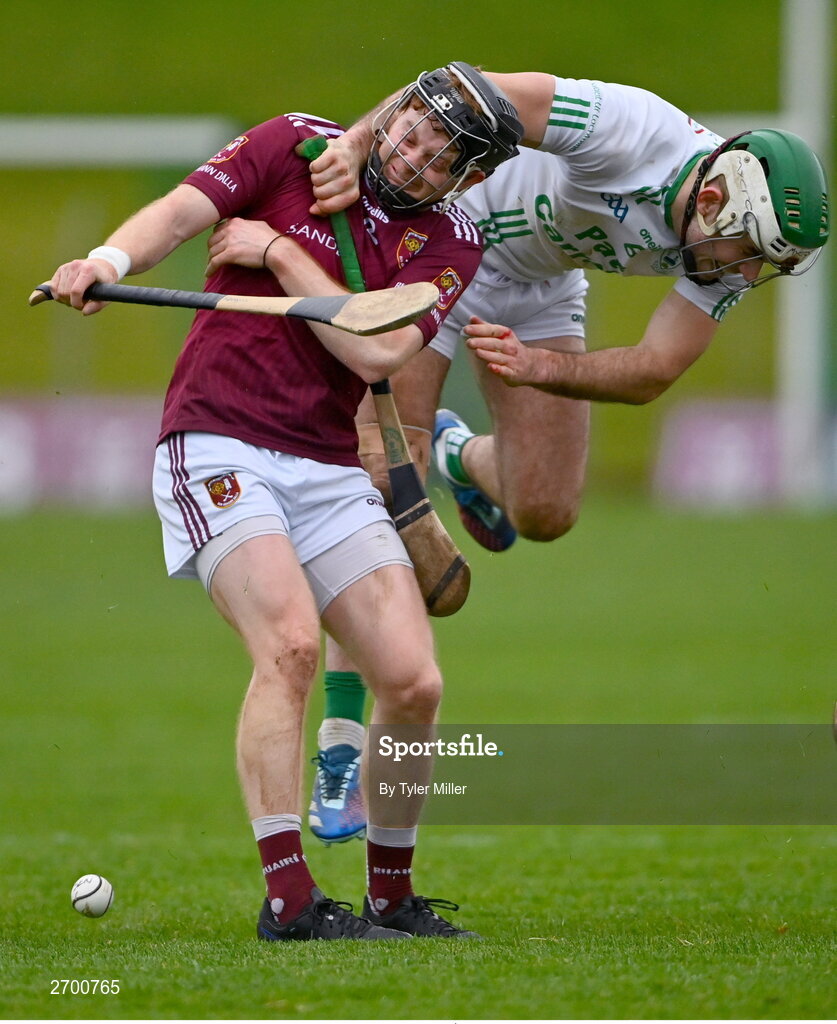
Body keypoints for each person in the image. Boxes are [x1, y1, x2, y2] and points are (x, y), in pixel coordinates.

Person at [46, 62, 523, 941]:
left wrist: (273, 251)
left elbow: (376, 356)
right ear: (398, 110)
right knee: (294, 646)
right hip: (218, 437)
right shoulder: (295, 144)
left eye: (436, 156)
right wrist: (107, 258)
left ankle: (390, 896)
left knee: (413, 682)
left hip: (329, 465)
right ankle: (289, 899)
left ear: (470, 178)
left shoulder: (454, 240)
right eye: (411, 130)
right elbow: (184, 212)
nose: (411, 155)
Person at [304, 69, 831, 843]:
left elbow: (654, 368)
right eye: (747, 253)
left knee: (544, 511)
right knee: (385, 492)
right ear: (714, 198)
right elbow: (461, 90)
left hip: (537, 289)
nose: (744, 273)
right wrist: (352, 149)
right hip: (441, 246)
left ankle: (459, 459)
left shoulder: (725, 245)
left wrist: (541, 368)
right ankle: (342, 752)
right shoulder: (630, 128)